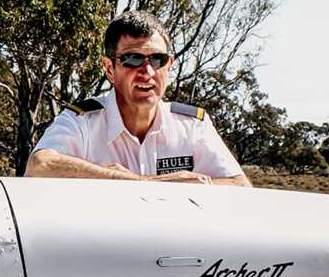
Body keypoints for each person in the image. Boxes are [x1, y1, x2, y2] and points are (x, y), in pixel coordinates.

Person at [25, 10, 251, 186]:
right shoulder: (83, 121)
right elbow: (40, 165)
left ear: (169, 65)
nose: (148, 72)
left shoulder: (192, 125)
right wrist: (141, 183)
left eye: (157, 60)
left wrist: (196, 186)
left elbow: (239, 184)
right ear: (109, 69)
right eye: (133, 59)